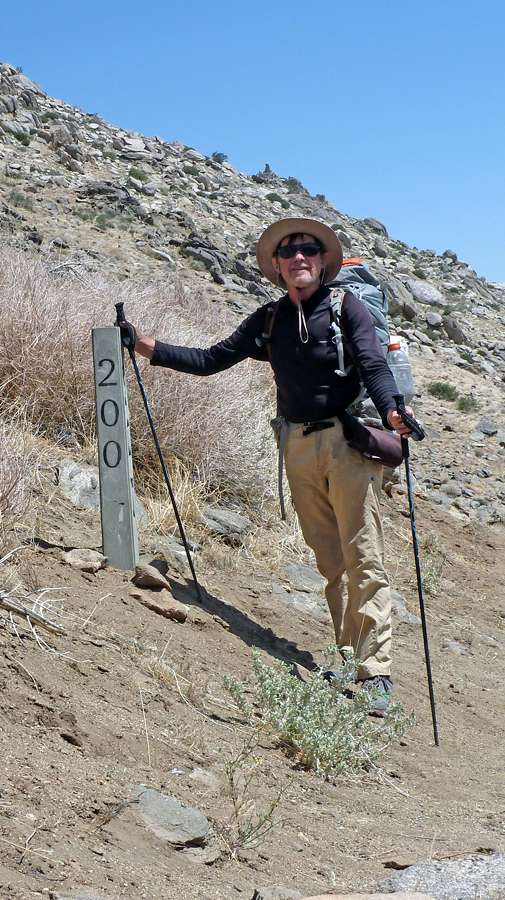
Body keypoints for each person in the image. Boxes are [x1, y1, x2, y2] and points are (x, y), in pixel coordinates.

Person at [125, 218, 416, 715]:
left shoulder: (349, 309)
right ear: (277, 267)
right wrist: (143, 344)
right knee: (329, 561)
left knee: (363, 554)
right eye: (288, 253)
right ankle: (348, 659)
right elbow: (210, 359)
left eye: (308, 250)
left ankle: (376, 672)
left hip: (346, 444)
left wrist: (393, 409)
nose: (299, 257)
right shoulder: (270, 320)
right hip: (297, 448)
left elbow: (373, 366)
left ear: (323, 261)